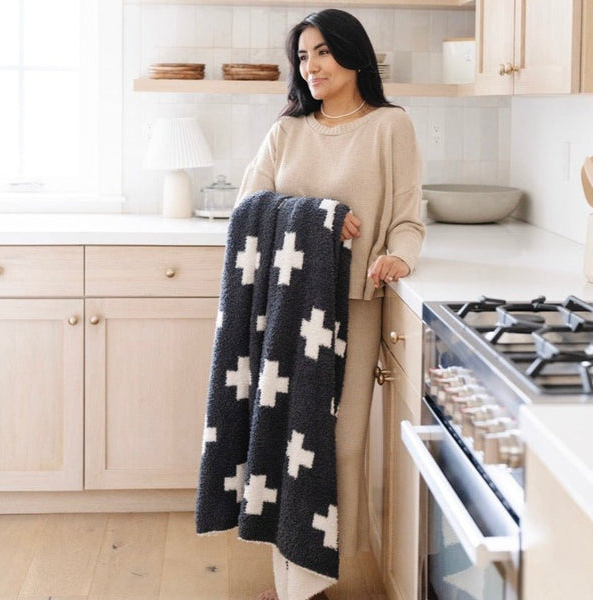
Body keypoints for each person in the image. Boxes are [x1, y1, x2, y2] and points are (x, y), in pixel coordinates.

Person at [236, 9, 425, 600]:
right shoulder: (287, 129)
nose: (310, 66)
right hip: (287, 301)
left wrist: (399, 255)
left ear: (353, 55)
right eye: (302, 56)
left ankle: (322, 561)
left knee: (338, 438)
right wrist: (318, 217)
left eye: (322, 52)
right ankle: (289, 567)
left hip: (355, 302)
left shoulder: (390, 125)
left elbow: (408, 216)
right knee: (280, 431)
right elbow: (248, 208)